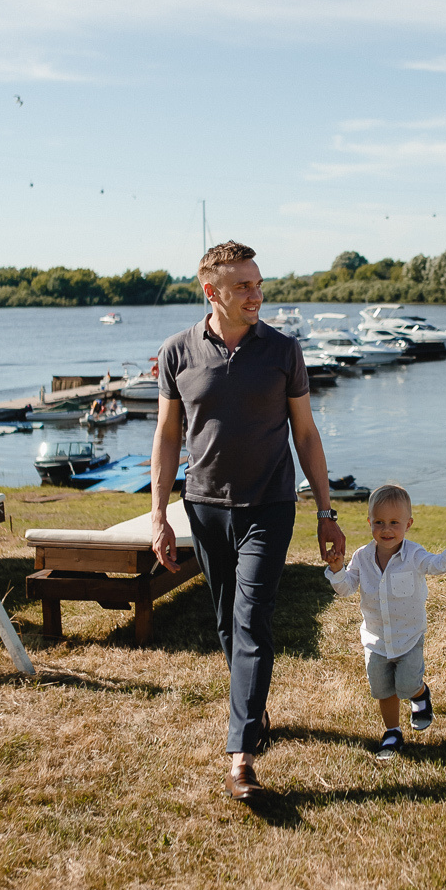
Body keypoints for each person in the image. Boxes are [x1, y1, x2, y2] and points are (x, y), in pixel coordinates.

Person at [150, 241, 346, 802]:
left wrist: (326, 513)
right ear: (211, 292)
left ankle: (241, 755)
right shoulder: (177, 352)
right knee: (226, 621)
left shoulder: (283, 351)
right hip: (205, 507)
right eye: (243, 287)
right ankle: (253, 712)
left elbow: (305, 435)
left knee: (253, 617)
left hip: (269, 505)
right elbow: (166, 437)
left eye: (259, 285)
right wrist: (160, 514)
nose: (256, 295)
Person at [325, 483, 446, 761]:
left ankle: (420, 694)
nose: (386, 530)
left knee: (405, 685)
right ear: (369, 522)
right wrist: (337, 570)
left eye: (394, 523)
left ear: (408, 524)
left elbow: (441, 564)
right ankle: (392, 731)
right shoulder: (362, 557)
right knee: (383, 690)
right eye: (379, 522)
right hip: (376, 639)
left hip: (408, 637)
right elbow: (346, 588)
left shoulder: (413, 555)